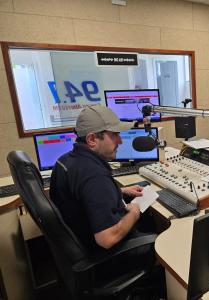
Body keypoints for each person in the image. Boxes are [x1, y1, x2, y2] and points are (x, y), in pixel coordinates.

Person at [50, 105, 165, 296]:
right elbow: (107, 238)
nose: (120, 140)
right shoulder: (93, 175)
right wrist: (134, 212)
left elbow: (82, 197)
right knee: (162, 237)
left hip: (79, 245)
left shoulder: (66, 161)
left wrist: (117, 191)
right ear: (92, 139)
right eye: (114, 135)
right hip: (103, 256)